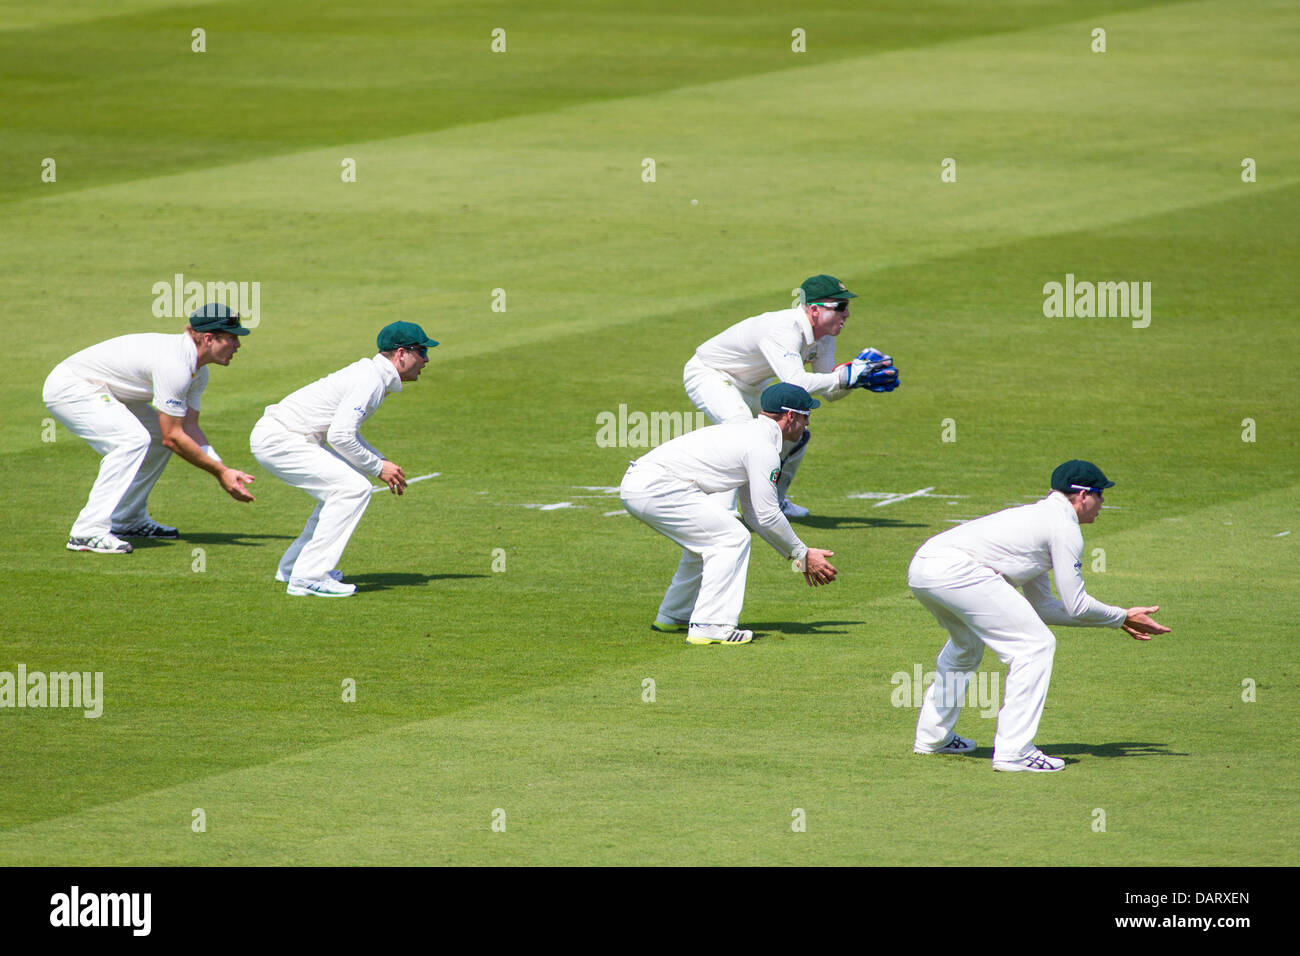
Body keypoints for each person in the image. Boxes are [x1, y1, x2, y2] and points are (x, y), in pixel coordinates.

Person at [907, 460, 1171, 772]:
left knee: (967, 644)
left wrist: (1118, 618)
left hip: (923, 568)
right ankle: (1014, 752)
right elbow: (1078, 605)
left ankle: (932, 737)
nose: (1103, 503)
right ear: (1083, 495)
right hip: (956, 570)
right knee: (1034, 647)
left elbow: (1043, 607)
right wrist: (1121, 616)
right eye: (1101, 495)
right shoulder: (1064, 528)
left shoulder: (1038, 522)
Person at [620, 382, 838, 645]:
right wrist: (802, 555)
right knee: (731, 538)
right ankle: (710, 625)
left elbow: (754, 514)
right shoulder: (762, 447)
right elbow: (768, 516)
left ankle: (674, 615)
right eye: (806, 416)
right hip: (657, 486)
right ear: (790, 416)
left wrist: (799, 558)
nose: (807, 424)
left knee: (712, 536)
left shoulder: (752, 435)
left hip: (645, 483)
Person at [42, 304, 256, 554]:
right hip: (72, 386)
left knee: (153, 435)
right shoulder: (175, 364)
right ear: (209, 339)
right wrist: (220, 473)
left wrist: (223, 468)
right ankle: (87, 531)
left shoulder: (199, 372)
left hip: (107, 389)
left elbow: (188, 428)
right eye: (232, 338)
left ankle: (127, 519)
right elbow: (173, 438)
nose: (238, 345)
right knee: (132, 441)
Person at [683, 274, 898, 517]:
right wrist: (843, 377)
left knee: (794, 435)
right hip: (710, 373)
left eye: (847, 306)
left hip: (752, 386)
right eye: (840, 307)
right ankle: (722, 510)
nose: (846, 314)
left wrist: (856, 380)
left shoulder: (824, 338)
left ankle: (775, 503)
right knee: (740, 427)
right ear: (814, 309)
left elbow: (829, 393)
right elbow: (796, 382)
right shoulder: (784, 328)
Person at [249, 321, 435, 597]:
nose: (426, 360)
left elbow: (345, 433)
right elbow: (341, 436)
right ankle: (309, 576)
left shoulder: (373, 375)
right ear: (402, 353)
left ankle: (293, 568)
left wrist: (379, 460)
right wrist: (377, 467)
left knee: (341, 489)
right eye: (422, 352)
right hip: (281, 439)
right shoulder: (371, 379)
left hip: (285, 437)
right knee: (353, 488)